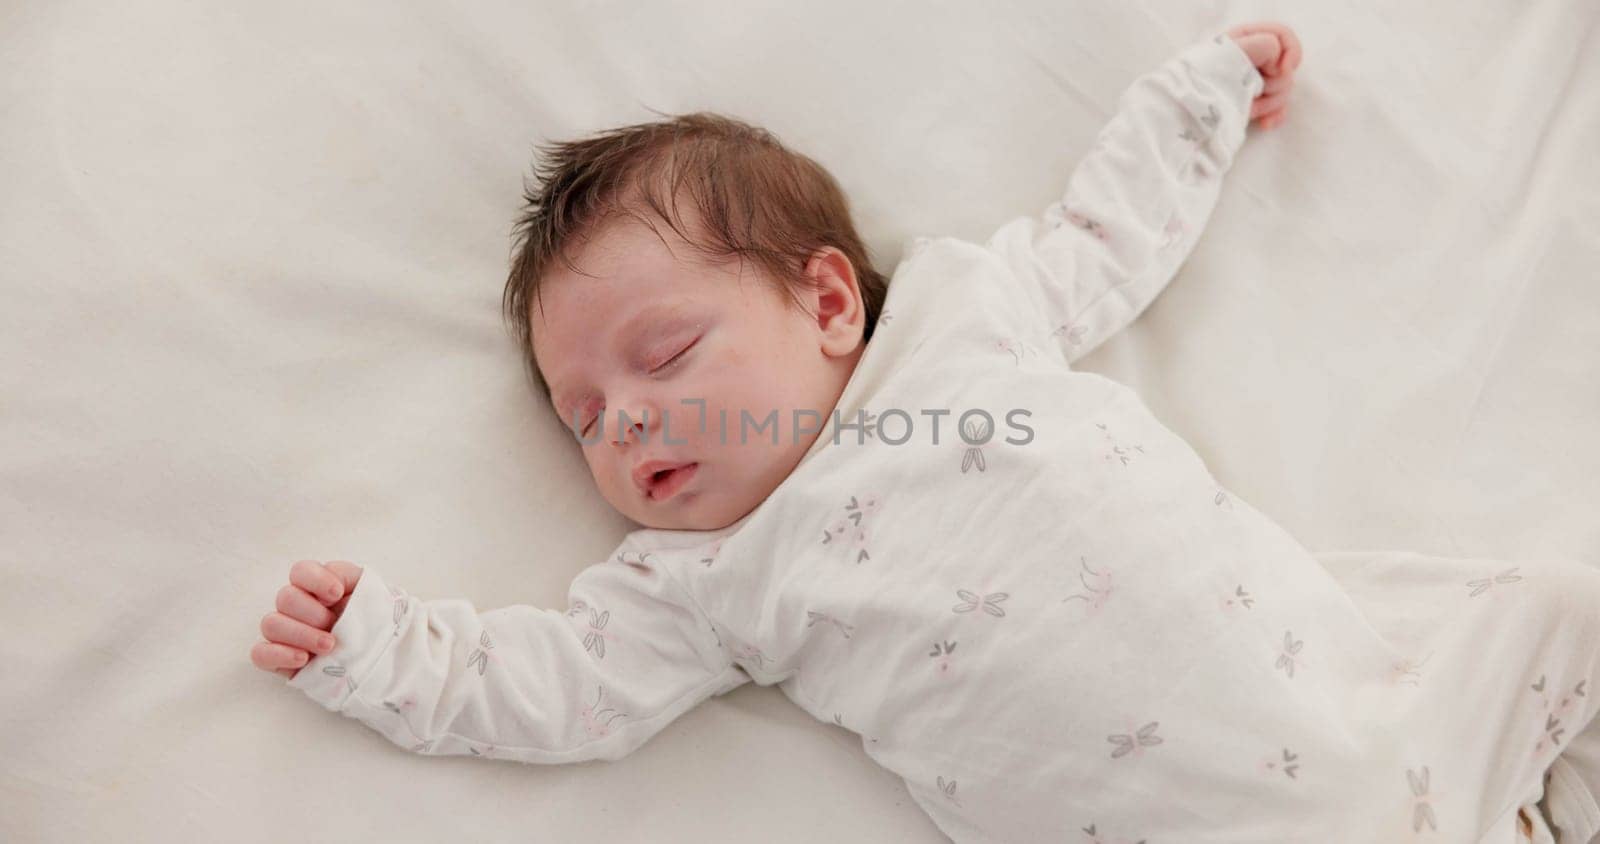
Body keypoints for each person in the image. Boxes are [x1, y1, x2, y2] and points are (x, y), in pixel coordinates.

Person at [250, 21, 1600, 842]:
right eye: (585, 417)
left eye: (664, 357)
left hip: (1401, 737)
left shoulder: (963, 319)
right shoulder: (705, 580)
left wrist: (1194, 106)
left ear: (828, 299)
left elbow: (1104, 237)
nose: (626, 425)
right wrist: (380, 652)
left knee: (1562, 612)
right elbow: (549, 690)